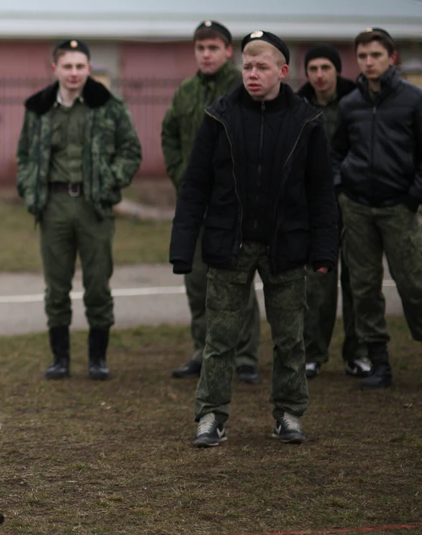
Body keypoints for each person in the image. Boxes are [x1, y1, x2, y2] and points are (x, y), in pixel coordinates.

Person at [170, 31, 337, 448]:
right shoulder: (219, 115)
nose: (252, 74)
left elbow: (321, 191)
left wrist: (323, 249)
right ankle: (211, 415)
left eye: (262, 67)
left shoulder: (306, 120)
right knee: (220, 336)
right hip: (231, 244)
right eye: (247, 66)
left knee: (289, 337)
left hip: (287, 246)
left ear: (282, 71)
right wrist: (182, 247)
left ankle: (288, 413)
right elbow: (195, 186)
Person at [16, 39, 142, 381]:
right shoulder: (39, 107)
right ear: (55, 69)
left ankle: (98, 358)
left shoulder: (109, 106)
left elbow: (131, 150)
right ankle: (60, 358)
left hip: (94, 207)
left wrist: (110, 183)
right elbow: (25, 155)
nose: (74, 73)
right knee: (56, 286)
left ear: (89, 68)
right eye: (67, 66)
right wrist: (29, 191)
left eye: (80, 66)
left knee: (98, 283)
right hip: (53, 205)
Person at [161, 21, 262, 384]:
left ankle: (246, 356)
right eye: (200, 47)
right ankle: (203, 352)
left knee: (238, 279)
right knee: (197, 280)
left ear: (227, 51)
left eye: (213, 47)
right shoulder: (186, 92)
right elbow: (169, 133)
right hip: (196, 205)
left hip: (236, 204)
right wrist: (181, 177)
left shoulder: (243, 87)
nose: (206, 54)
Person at [332, 28, 422, 389]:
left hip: (398, 206)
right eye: (363, 56)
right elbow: (337, 152)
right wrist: (341, 186)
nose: (368, 63)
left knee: (413, 284)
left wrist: (413, 196)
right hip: (357, 208)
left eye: (376, 56)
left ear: (392, 58)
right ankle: (379, 363)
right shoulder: (350, 104)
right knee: (364, 287)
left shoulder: (413, 100)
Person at [296, 46, 369, 379]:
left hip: (354, 201)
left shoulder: (358, 102)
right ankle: (313, 354)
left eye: (326, 67)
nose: (319, 74)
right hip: (313, 207)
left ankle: (358, 353)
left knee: (357, 281)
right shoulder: (298, 105)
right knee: (317, 284)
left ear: (337, 70)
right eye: (313, 68)